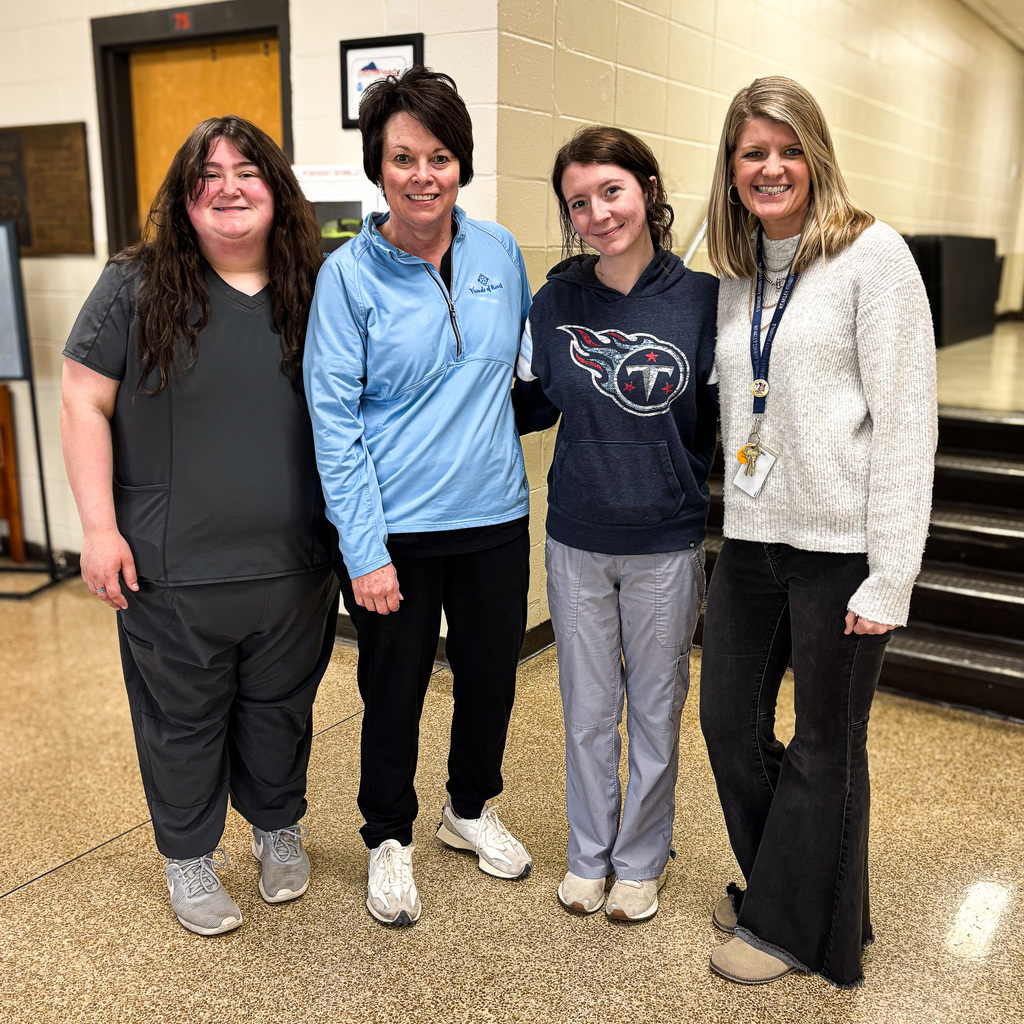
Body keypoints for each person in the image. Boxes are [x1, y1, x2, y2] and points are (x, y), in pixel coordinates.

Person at [60, 116, 340, 937]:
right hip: (171, 568)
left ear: (276, 188)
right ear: (184, 200)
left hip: (295, 563)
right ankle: (188, 859)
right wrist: (98, 527)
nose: (227, 187)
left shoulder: (315, 283)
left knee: (281, 706)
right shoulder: (135, 285)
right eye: (205, 175)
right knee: (181, 718)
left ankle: (277, 827)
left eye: (246, 170)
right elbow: (83, 399)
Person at [699, 76, 937, 987]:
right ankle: (787, 891)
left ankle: (795, 931)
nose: (771, 166)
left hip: (843, 545)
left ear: (817, 156)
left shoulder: (874, 257)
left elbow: (909, 421)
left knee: (825, 741)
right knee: (727, 720)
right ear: (731, 167)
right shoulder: (735, 264)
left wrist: (892, 575)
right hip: (754, 537)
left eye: (787, 148)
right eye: (752, 151)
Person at [303, 66, 533, 927]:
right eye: (404, 158)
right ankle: (388, 837)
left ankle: (468, 810)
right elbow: (334, 423)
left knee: (488, 685)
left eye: (439, 156)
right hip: (395, 531)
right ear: (379, 167)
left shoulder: (498, 251)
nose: (423, 175)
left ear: (461, 164)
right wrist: (363, 551)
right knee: (392, 692)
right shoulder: (348, 279)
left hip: (493, 521)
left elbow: (521, 360)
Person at [514, 126, 719, 922]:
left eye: (612, 191)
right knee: (589, 708)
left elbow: (722, 416)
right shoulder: (556, 301)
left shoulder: (700, 302)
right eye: (579, 202)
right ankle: (588, 854)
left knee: (657, 707)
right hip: (575, 537)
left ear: (648, 191)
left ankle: (640, 860)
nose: (598, 213)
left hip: (665, 540)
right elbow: (527, 406)